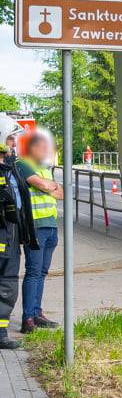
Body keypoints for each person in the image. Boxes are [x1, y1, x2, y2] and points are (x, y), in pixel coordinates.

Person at [16, 132, 61, 333]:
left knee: (42, 272)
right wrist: (49, 187)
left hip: (50, 225)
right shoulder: (23, 164)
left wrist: (51, 188)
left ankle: (36, 312)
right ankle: (28, 319)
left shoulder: (44, 168)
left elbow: (60, 193)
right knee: (33, 271)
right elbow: (43, 185)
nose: (45, 150)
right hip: (35, 226)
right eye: (41, 147)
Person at [0, 115, 38, 349]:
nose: (15, 143)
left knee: (7, 286)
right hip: (2, 236)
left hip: (11, 237)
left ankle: (1, 334)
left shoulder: (11, 167)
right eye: (12, 138)